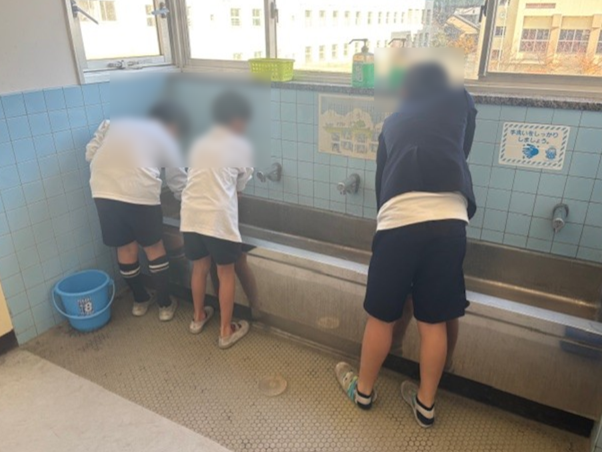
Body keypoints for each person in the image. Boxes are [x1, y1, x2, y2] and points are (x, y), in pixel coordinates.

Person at [335, 62, 477, 428]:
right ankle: (426, 405)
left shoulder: (395, 121)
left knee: (381, 317)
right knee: (433, 321)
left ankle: (363, 391)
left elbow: (383, 181)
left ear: (408, 89)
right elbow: (462, 149)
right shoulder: (459, 99)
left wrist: (388, 221)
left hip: (398, 219)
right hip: (450, 218)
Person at [86, 102, 188, 321]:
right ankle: (165, 305)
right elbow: (177, 181)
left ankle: (140, 301)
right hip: (139, 189)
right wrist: (188, 204)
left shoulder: (116, 123)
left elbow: (90, 153)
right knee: (153, 247)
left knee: (125, 247)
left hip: (103, 187)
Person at [180, 91, 254, 349]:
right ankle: (225, 331)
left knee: (199, 267)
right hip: (217, 219)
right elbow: (242, 181)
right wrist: (236, 190)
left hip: (191, 214)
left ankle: (198, 317)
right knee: (225, 272)